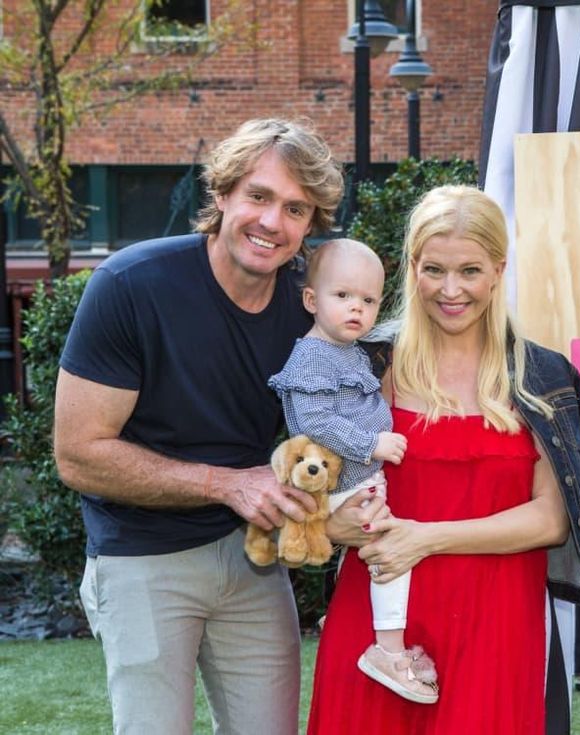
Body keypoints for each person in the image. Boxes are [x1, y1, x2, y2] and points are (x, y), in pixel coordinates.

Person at [53, 118, 389, 735]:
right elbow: (78, 455)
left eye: (295, 208)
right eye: (258, 197)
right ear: (224, 193)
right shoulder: (131, 286)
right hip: (142, 555)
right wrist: (226, 483)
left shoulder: (310, 311)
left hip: (254, 558)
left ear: (310, 227)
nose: (271, 222)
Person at [306, 185, 580, 735]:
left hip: (498, 619)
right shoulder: (363, 364)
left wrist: (425, 537)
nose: (451, 290)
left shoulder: (542, 377)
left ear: (499, 270)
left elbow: (551, 521)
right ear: (411, 267)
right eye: (434, 270)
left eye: (470, 271)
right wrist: (332, 523)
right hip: (382, 623)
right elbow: (307, 482)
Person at [267, 238, 439, 704]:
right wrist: (371, 443)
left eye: (367, 300)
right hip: (342, 478)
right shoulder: (312, 357)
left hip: (360, 476)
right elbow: (316, 423)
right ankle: (388, 649)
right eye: (342, 296)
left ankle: (344, 619)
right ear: (311, 300)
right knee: (389, 553)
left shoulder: (346, 350)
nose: (356, 309)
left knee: (367, 553)